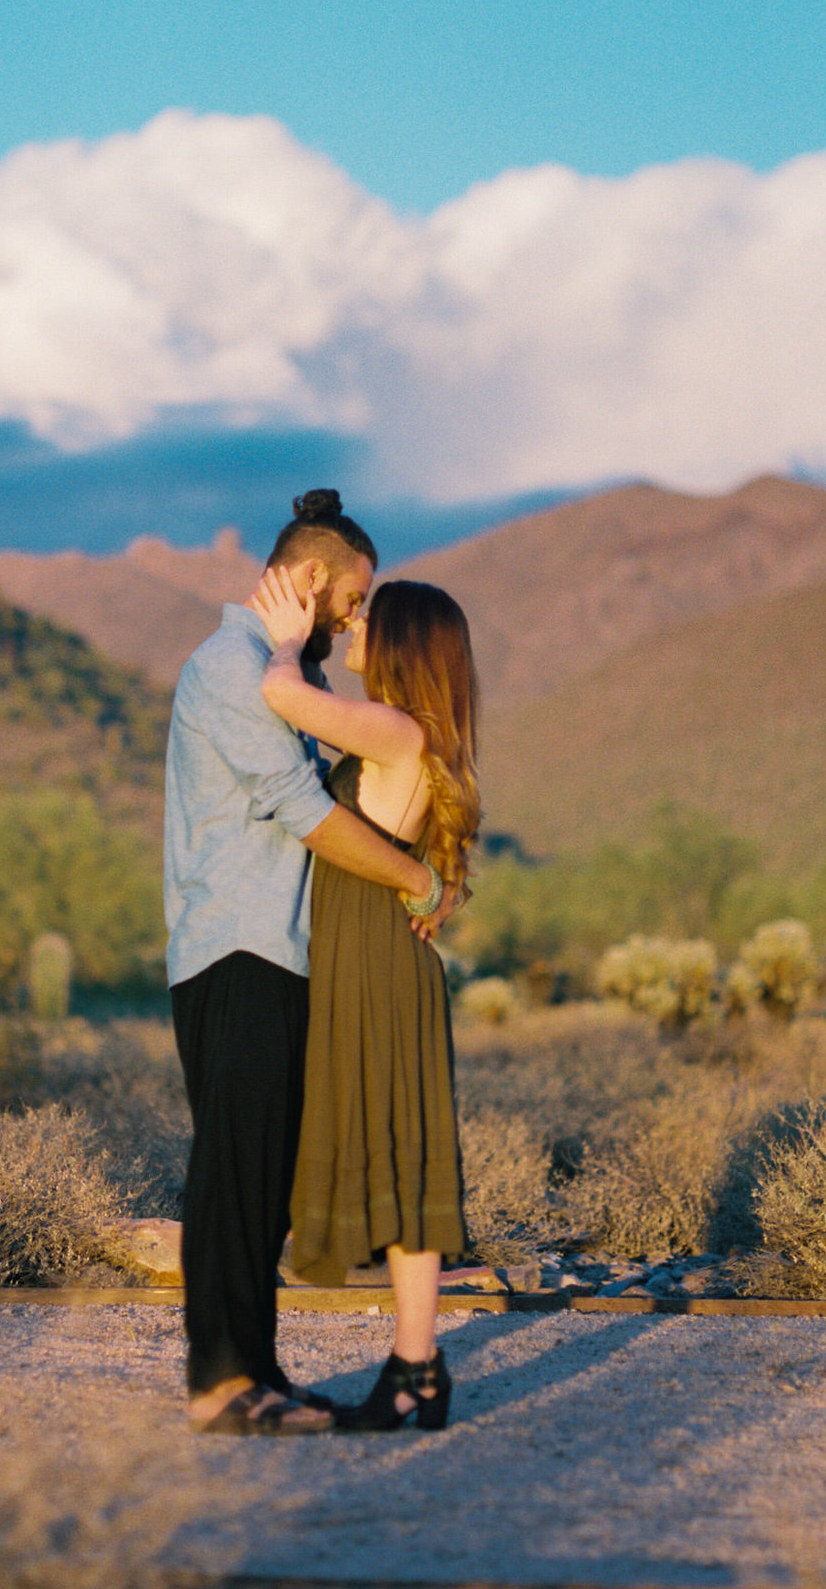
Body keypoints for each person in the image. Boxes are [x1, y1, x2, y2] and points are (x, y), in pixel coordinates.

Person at [163, 489, 463, 1436]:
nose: (356, 615)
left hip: (289, 956)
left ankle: (254, 1371)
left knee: (259, 1177)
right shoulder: (232, 669)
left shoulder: (285, 678)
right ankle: (220, 1380)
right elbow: (303, 810)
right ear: (314, 578)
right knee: (230, 1168)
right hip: (238, 946)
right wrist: (418, 876)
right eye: (354, 594)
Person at [252, 566, 479, 1433]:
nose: (354, 628)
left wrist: (286, 633)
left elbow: (280, 693)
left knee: (398, 1155)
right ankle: (416, 1367)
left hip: (375, 966)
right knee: (404, 1158)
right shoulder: (418, 738)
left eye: (367, 620)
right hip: (387, 961)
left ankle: (417, 1367)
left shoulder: (390, 729)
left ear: (404, 646)